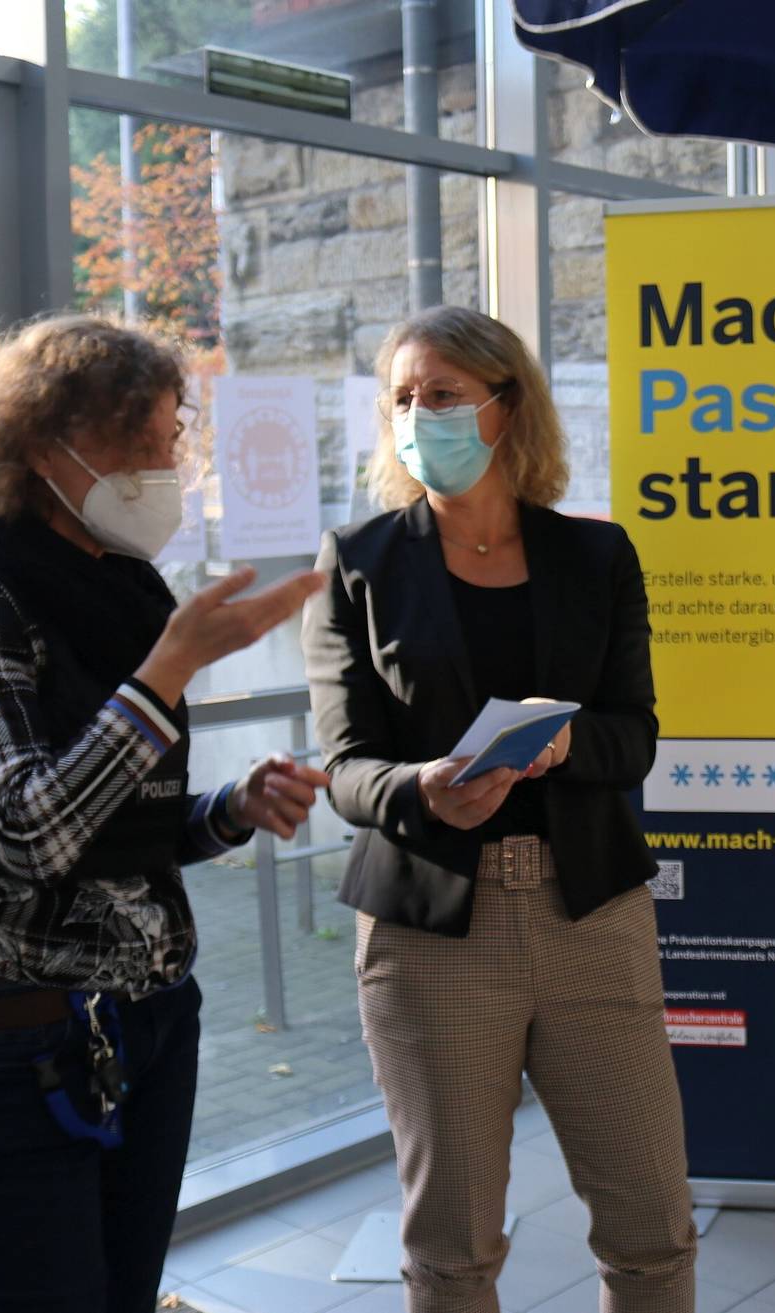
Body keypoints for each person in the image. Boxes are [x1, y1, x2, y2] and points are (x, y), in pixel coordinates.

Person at [0, 316, 327, 1313]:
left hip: (147, 1024)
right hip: (13, 1049)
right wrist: (169, 667)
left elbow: (120, 832)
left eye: (171, 441)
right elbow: (28, 831)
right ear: (45, 450)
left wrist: (229, 809)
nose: (168, 467)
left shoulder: (119, 591)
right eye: (142, 446)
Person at [302, 305, 694, 1313]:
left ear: (505, 406)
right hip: (432, 928)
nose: (416, 414)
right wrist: (421, 786)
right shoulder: (356, 560)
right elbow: (345, 766)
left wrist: (563, 742)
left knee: (652, 1227)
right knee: (452, 1249)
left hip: (592, 913)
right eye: (401, 397)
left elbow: (636, 734)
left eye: (440, 393)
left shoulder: (596, 555)